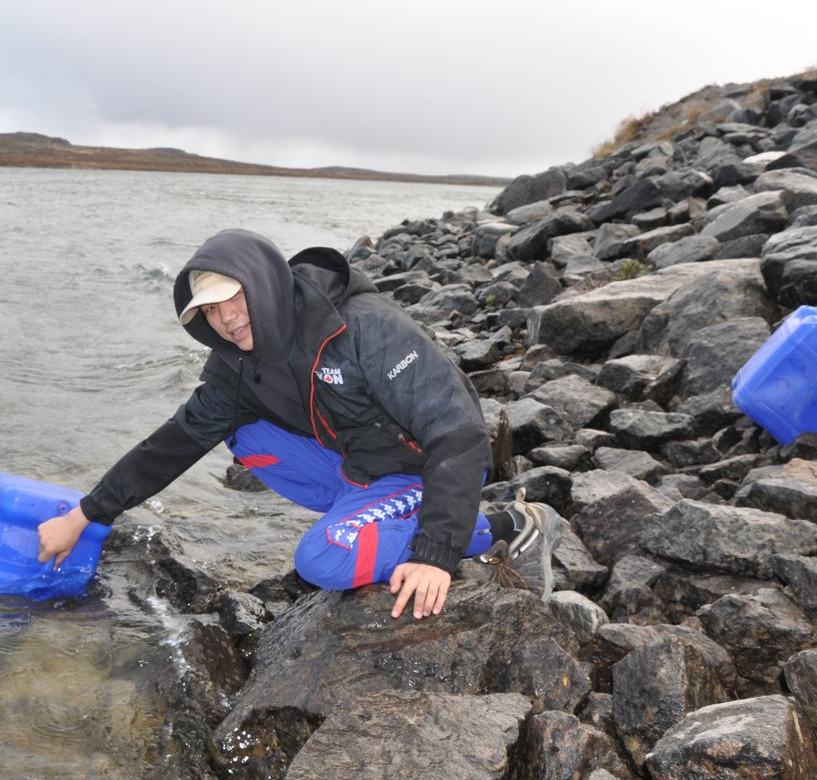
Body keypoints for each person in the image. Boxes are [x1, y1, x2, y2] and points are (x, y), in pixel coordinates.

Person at [38, 228, 559, 619]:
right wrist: (87, 513)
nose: (227, 318)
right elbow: (175, 441)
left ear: (264, 284)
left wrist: (435, 555)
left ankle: (509, 527)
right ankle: (368, 518)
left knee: (321, 560)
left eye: (234, 297)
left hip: (423, 465)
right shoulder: (239, 364)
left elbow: (460, 433)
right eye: (211, 310)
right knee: (241, 432)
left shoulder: (364, 327)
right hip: (360, 465)